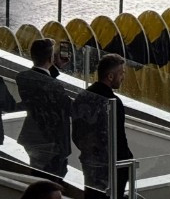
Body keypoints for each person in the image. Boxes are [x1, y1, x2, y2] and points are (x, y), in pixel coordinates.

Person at [72, 54, 132, 199]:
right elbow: (119, 139)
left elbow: (76, 134)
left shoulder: (81, 97)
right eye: (121, 73)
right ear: (110, 76)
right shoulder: (113, 102)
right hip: (111, 168)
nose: (123, 77)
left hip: (89, 162)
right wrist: (128, 162)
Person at [17, 38, 72, 178]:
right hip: (52, 143)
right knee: (53, 180)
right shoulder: (55, 86)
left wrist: (53, 66)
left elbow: (42, 80)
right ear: (51, 58)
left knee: (37, 176)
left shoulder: (22, 78)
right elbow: (70, 109)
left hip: (32, 138)